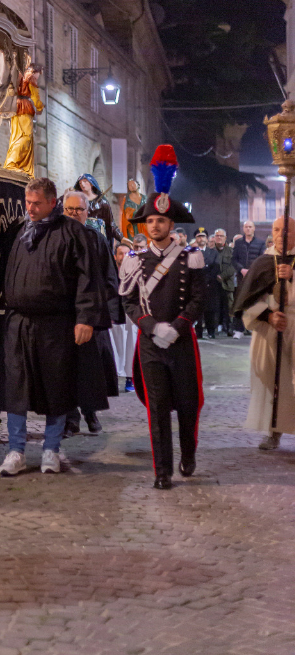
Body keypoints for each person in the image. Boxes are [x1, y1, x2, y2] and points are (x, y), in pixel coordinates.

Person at [0, 177, 109, 476]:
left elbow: (88, 279)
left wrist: (85, 318)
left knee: (57, 385)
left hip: (56, 325)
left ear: (54, 203)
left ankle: (51, 449)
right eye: (28, 202)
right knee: (16, 388)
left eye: (37, 203)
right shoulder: (18, 232)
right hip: (18, 323)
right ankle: (16, 451)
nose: (31, 208)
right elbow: (3, 274)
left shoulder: (73, 233)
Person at [119, 145, 205, 489]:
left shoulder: (191, 257)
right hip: (151, 345)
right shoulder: (135, 259)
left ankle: (188, 454)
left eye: (161, 220)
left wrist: (180, 327)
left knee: (187, 405)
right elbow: (128, 302)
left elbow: (199, 298)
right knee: (156, 410)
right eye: (150, 220)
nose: (154, 225)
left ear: (172, 223)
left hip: (182, 343)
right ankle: (161, 471)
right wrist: (152, 327)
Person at [233, 216, 295, 450]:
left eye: (287, 230)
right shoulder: (263, 262)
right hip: (270, 330)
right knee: (273, 379)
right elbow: (246, 301)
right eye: (277, 230)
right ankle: (274, 430)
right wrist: (268, 315)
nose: (281, 235)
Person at [63, 189, 120, 434]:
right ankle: (70, 417)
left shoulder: (96, 239)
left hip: (91, 315)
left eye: (79, 209)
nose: (74, 214)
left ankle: (90, 412)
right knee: (64, 369)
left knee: (89, 368)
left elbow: (109, 276)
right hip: (63, 317)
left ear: (88, 212)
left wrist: (101, 308)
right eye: (70, 209)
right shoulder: (56, 237)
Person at [3, 62, 44, 175]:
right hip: (24, 108)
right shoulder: (30, 77)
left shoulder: (20, 75)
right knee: (25, 137)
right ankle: (13, 163)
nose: (38, 77)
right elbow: (35, 95)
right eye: (38, 75)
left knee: (16, 137)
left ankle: (15, 163)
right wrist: (39, 107)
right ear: (35, 71)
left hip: (17, 107)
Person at [111, 240, 137, 391]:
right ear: (115, 256)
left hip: (130, 314)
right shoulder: (110, 271)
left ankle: (130, 378)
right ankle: (113, 377)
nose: (124, 256)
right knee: (114, 346)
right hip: (114, 313)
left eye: (127, 253)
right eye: (121, 253)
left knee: (130, 345)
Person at [232, 220, 265, 336]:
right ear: (243, 229)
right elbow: (234, 259)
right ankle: (238, 330)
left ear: (254, 228)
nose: (248, 229)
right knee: (239, 302)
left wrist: (252, 271)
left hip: (255, 277)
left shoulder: (261, 243)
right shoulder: (238, 243)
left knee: (254, 302)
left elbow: (261, 259)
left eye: (250, 227)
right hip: (241, 277)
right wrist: (241, 269)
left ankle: (253, 326)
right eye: (246, 227)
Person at [74, 173, 123, 246]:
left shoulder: (102, 202)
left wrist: (121, 237)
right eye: (80, 183)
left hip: (97, 238)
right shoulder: (77, 200)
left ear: (92, 183)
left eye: (85, 181)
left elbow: (110, 223)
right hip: (81, 236)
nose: (82, 184)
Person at [194, 228, 219, 339]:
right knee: (197, 310)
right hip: (196, 285)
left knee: (210, 310)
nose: (201, 238)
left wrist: (207, 279)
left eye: (203, 236)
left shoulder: (213, 252)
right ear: (196, 238)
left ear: (207, 238)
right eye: (199, 236)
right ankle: (198, 332)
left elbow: (216, 267)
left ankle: (211, 331)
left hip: (210, 285)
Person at [213, 229, 235, 335]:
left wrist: (222, 276)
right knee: (216, 306)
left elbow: (233, 267)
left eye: (221, 236)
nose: (219, 238)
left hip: (227, 284)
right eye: (217, 236)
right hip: (214, 284)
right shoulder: (211, 250)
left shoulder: (230, 251)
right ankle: (216, 326)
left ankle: (229, 327)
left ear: (225, 238)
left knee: (229, 307)